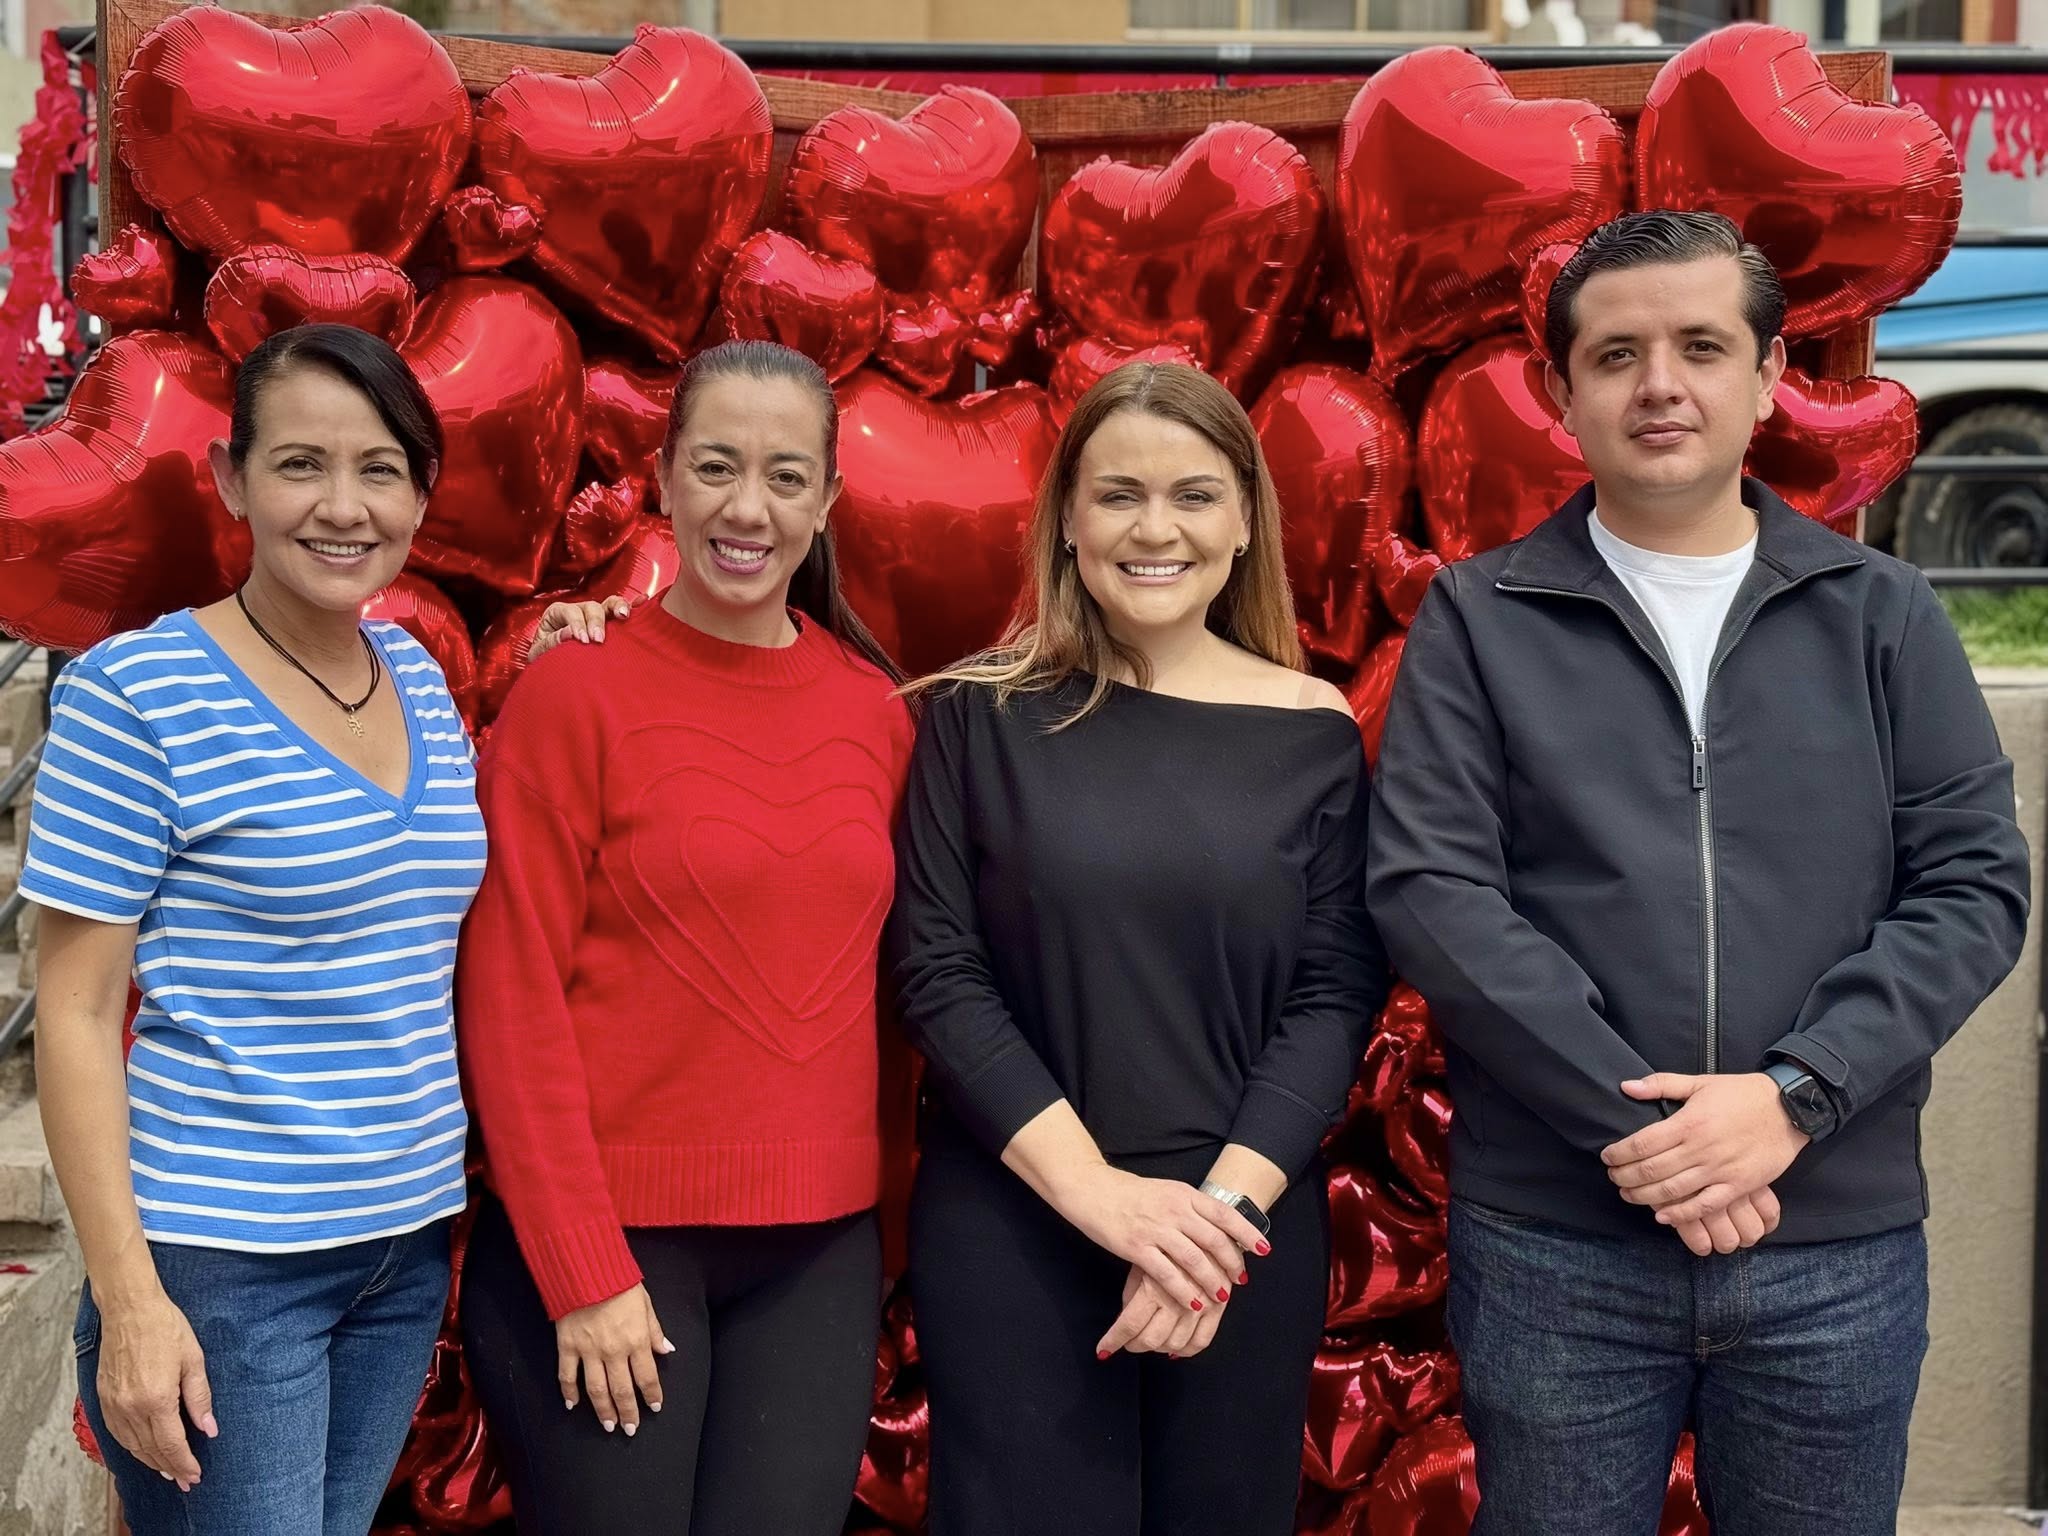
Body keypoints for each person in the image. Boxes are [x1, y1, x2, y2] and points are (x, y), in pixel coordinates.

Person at [1366, 209, 2030, 1534]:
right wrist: (1647, 1135)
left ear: (1770, 374)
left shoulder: (1881, 614)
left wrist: (1792, 1097)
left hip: (1827, 1242)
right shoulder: (1478, 620)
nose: (1658, 384)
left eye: (1701, 347)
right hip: (1561, 1248)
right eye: (1615, 355)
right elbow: (1434, 895)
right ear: (1560, 392)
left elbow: (1972, 888)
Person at [884, 361, 1388, 1536]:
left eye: (1193, 495)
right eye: (1118, 495)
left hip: (1238, 1230)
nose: (1154, 530)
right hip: (1017, 1225)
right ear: (1066, 520)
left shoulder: (1314, 732)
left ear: (1244, 521)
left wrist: (1212, 1229)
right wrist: (1101, 1200)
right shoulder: (972, 717)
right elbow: (937, 975)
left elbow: (1333, 994)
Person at [24, 323, 479, 1535]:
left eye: (380, 468)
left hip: (401, 1249)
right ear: (232, 479)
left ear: (422, 492)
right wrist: (130, 1300)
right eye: (299, 465)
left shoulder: (418, 679)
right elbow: (72, 1014)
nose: (343, 506)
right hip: (221, 1268)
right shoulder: (137, 695)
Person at [454, 339, 913, 1536]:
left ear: (827, 500)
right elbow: (508, 996)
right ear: (661, 476)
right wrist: (580, 1267)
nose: (746, 508)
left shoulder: (875, 713)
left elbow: (899, 991)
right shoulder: (574, 693)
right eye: (715, 466)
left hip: (816, 1258)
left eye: (785, 476)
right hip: (610, 1247)